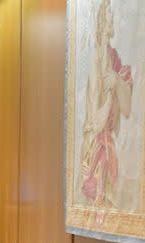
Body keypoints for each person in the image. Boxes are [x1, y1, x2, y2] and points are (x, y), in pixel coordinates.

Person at [79, 0, 132, 209]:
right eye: (110, 12)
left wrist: (117, 82)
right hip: (94, 151)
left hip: (107, 149)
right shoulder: (95, 61)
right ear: (102, 20)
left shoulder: (113, 58)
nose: (113, 16)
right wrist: (111, 96)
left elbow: (127, 110)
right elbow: (96, 122)